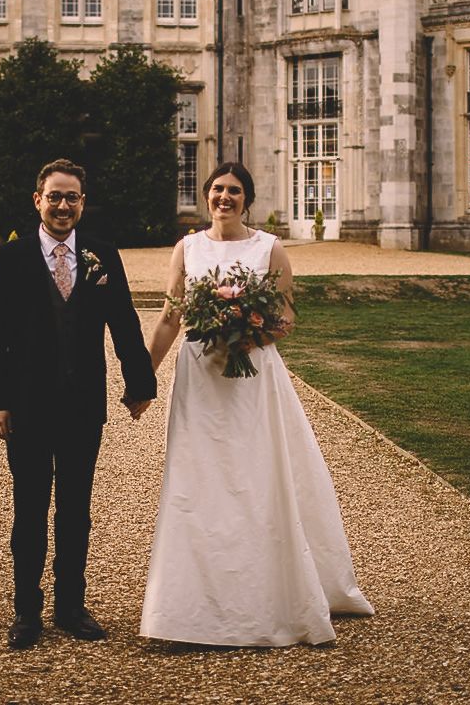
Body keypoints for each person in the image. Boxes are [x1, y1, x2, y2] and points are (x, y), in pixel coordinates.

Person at [140, 162, 373, 646]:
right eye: (218, 190)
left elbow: (286, 317)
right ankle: (192, 601)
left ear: (247, 199)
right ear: (207, 196)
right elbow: (170, 316)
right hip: (201, 377)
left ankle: (273, 590)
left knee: (255, 474)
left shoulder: (270, 247)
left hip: (251, 377)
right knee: (199, 475)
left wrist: (248, 331)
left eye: (235, 191)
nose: (225, 197)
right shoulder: (188, 247)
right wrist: (143, 377)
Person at [0, 159, 156, 650]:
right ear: (38, 200)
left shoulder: (102, 255)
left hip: (83, 406)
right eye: (54, 196)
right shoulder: (7, 259)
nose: (63, 205)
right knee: (30, 509)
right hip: (27, 407)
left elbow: (123, 321)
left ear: (83, 202)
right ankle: (26, 612)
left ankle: (71, 606)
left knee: (76, 510)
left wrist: (139, 382)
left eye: (72, 197)